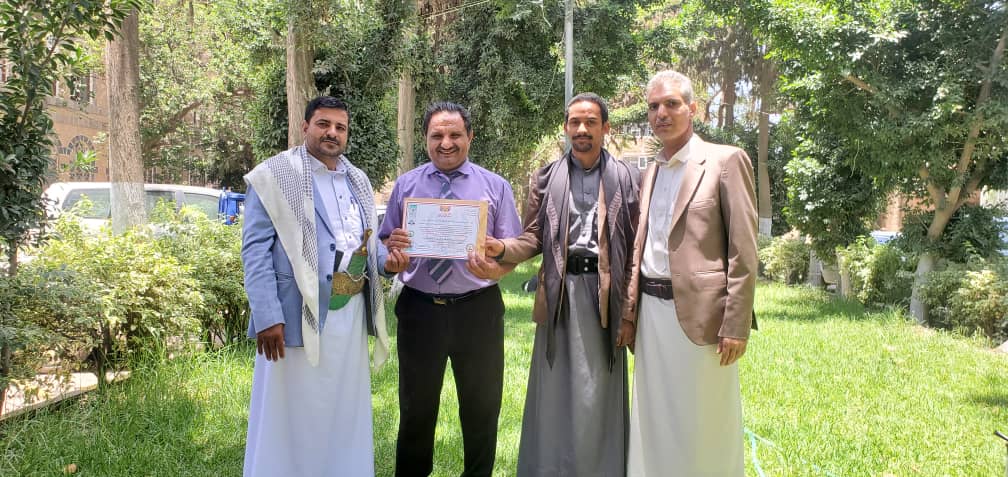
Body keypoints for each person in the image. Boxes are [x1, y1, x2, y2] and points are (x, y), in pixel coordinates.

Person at [241, 96, 408, 477]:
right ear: (305, 127)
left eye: (340, 127)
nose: (332, 133)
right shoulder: (272, 176)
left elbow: (366, 243)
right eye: (323, 124)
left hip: (349, 317)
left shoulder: (358, 180)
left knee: (342, 410)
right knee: (289, 414)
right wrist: (268, 316)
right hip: (292, 316)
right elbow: (255, 251)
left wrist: (389, 263)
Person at [480, 92, 639, 476]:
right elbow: (533, 236)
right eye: (574, 122)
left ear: (605, 128)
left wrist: (629, 311)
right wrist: (502, 248)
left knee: (597, 392)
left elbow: (636, 246)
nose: (582, 129)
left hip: (604, 298)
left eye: (590, 122)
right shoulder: (546, 177)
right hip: (559, 295)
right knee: (554, 392)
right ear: (566, 127)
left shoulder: (628, 177)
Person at [622, 71, 758, 477]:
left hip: (705, 318)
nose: (661, 113)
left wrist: (736, 324)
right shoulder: (650, 171)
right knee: (653, 417)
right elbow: (641, 246)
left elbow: (744, 250)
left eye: (671, 104)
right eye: (653, 107)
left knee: (705, 422)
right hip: (652, 315)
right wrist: (630, 313)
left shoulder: (725, 160)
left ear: (693, 109)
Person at [379, 101, 523, 477]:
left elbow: (513, 249)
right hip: (419, 310)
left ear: (470, 137)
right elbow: (386, 241)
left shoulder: (495, 186)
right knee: (415, 409)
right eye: (437, 135)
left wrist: (496, 267)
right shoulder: (406, 185)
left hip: (478, 309)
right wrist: (394, 249)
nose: (446, 143)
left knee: (481, 409)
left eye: (455, 134)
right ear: (425, 139)